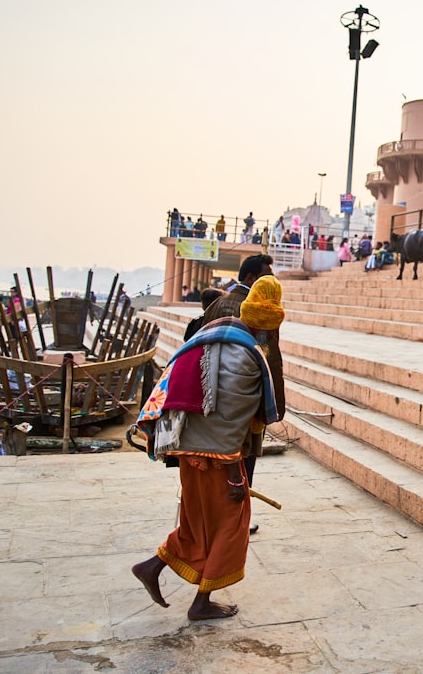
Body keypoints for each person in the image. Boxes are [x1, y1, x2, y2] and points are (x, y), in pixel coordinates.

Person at [130, 284, 283, 621]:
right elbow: (231, 423)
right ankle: (201, 603)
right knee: (232, 525)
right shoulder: (249, 355)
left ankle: (151, 566)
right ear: (268, 326)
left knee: (196, 522)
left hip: (186, 448)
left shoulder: (209, 336)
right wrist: (233, 477)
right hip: (219, 460)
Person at [200, 256, 284, 534]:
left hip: (210, 395)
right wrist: (274, 404)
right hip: (243, 397)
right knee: (241, 461)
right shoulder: (258, 311)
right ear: (250, 278)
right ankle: (233, 522)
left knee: (214, 462)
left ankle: (214, 518)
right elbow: (268, 360)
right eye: (265, 275)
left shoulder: (217, 303)